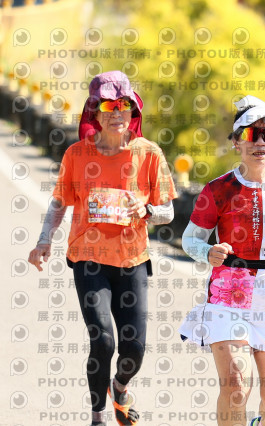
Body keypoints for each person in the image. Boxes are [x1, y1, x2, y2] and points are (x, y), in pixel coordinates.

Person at [27, 71, 177, 426]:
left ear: (133, 110)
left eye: (124, 105)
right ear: (94, 112)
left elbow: (169, 211)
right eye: (108, 106)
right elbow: (59, 202)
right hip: (88, 259)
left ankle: (120, 387)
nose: (117, 113)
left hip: (132, 261)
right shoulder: (78, 154)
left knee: (134, 349)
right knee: (103, 341)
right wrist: (44, 240)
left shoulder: (149, 154)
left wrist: (147, 210)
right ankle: (98, 417)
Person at [179, 95, 265, 426]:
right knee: (235, 387)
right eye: (250, 134)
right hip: (231, 292)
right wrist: (207, 252)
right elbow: (190, 239)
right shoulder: (218, 189)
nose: (260, 142)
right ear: (236, 142)